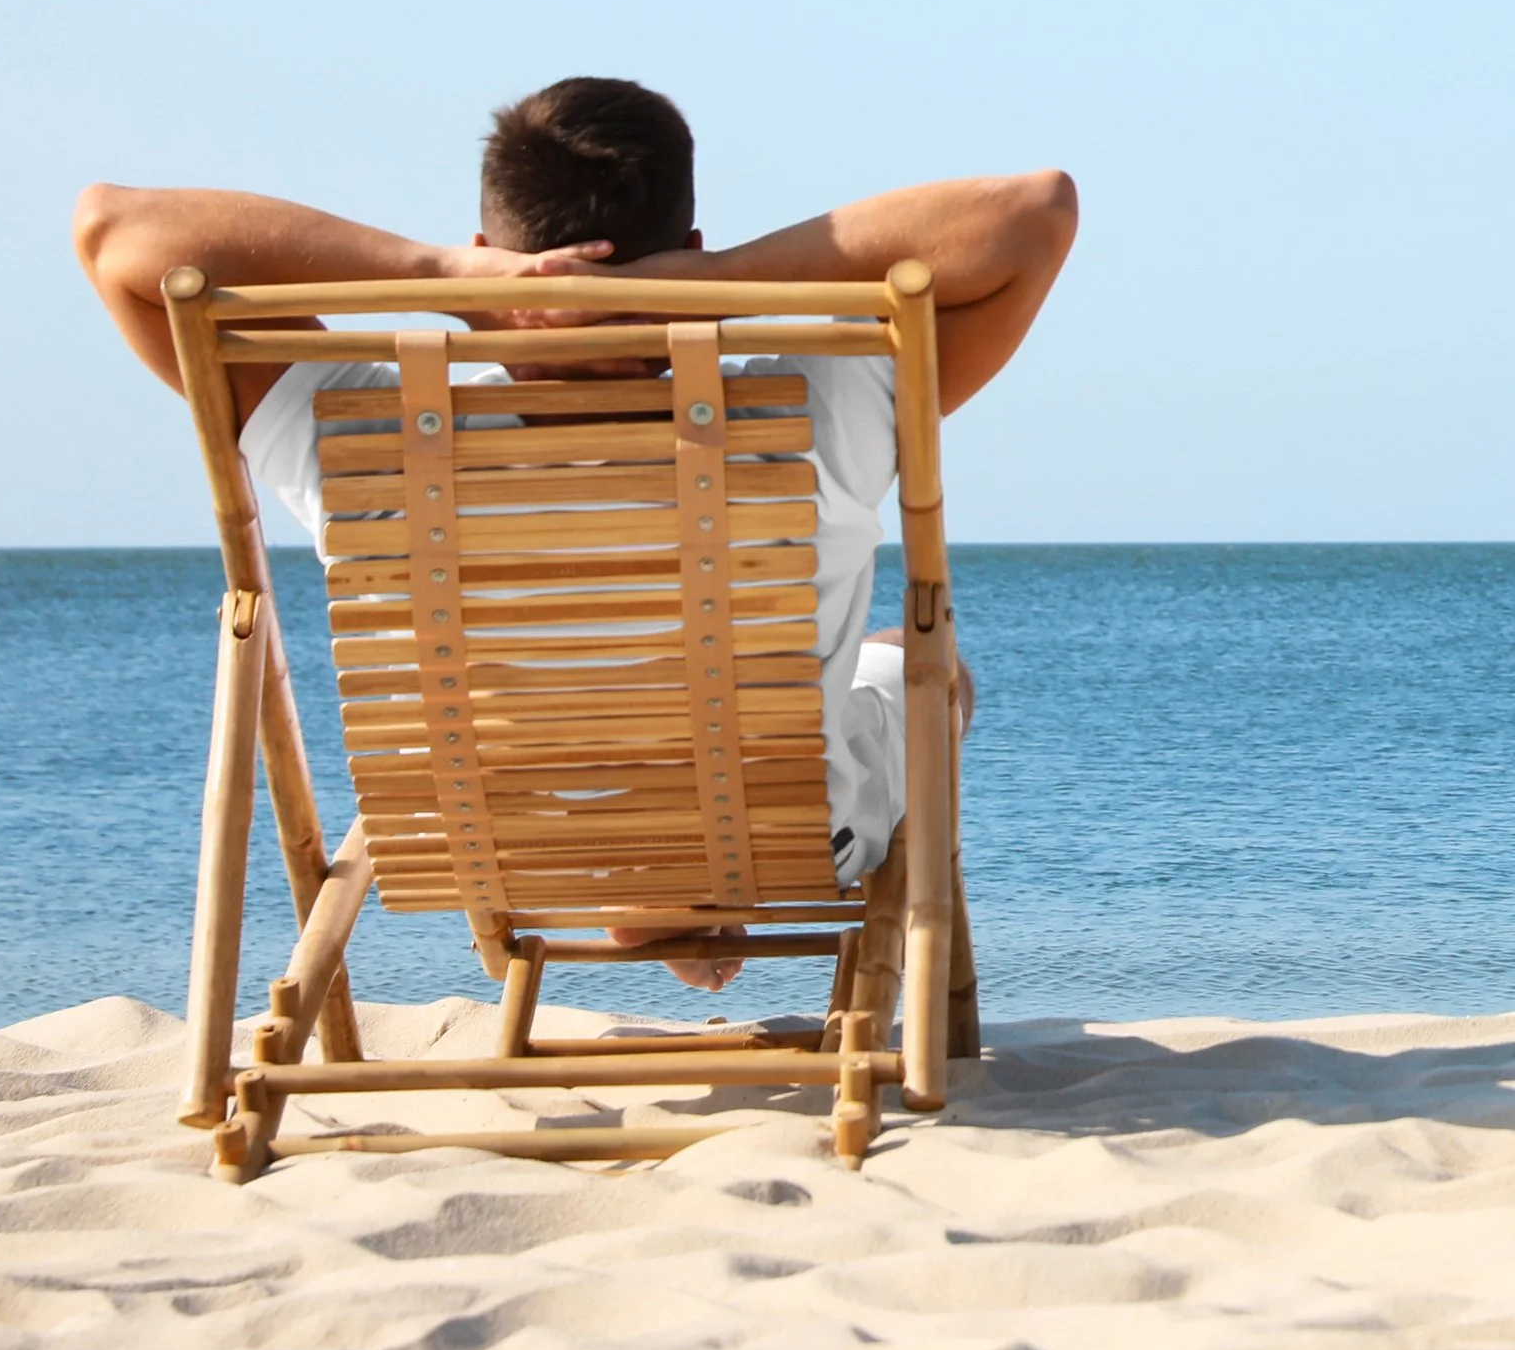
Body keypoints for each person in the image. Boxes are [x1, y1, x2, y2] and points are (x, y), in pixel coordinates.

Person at [77, 77, 1076, 992]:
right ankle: (683, 889)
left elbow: (114, 233)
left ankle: (642, 881)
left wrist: (435, 273)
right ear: (686, 242)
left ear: (488, 255)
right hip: (776, 836)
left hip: (493, 842)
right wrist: (720, 280)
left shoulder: (373, 442)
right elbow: (1033, 215)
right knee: (922, 665)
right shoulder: (813, 406)